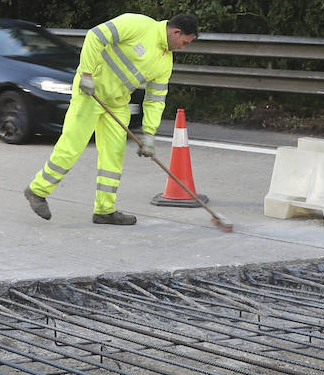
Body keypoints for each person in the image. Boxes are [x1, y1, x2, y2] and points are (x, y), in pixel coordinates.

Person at [25, 13, 198, 225]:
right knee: (72, 146)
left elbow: (155, 99)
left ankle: (104, 210)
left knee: (114, 155)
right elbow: (95, 36)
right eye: (184, 42)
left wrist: (149, 134)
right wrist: (87, 74)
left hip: (116, 103)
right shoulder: (138, 25)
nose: (183, 47)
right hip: (91, 93)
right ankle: (37, 190)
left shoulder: (164, 61)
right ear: (176, 32)